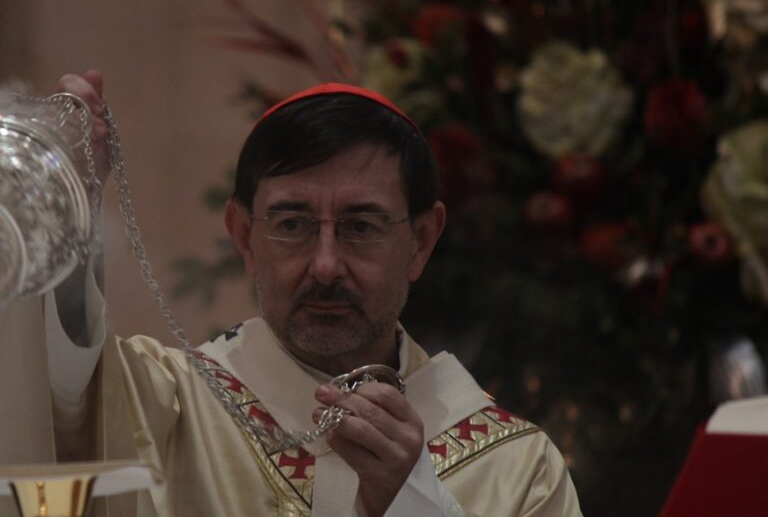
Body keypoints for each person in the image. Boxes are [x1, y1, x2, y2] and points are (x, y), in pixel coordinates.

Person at [0, 71, 582, 516]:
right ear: (244, 236)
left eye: (361, 226)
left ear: (421, 241)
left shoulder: (519, 469)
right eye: (292, 224)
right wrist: (58, 213)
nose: (325, 265)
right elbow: (61, 399)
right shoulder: (168, 405)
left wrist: (411, 503)